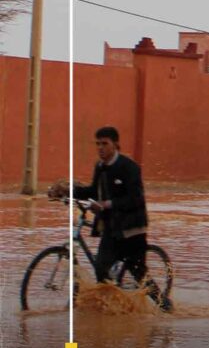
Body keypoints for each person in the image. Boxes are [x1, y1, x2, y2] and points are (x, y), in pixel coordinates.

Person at [48, 126, 171, 312]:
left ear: (116, 145)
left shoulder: (129, 168)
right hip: (111, 229)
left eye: (104, 144)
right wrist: (68, 191)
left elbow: (135, 198)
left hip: (132, 230)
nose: (100, 148)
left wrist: (107, 204)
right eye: (97, 144)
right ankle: (110, 310)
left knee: (139, 275)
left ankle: (165, 306)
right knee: (101, 268)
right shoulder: (100, 167)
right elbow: (92, 191)